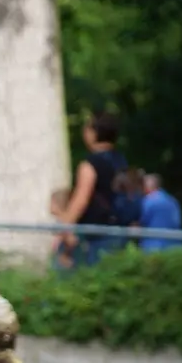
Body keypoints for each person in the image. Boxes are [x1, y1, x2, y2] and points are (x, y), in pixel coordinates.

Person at [54, 110, 129, 266]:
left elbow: (81, 199)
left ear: (93, 133)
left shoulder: (90, 164)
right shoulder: (121, 162)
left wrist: (63, 231)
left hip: (95, 235)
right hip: (120, 231)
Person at [138, 172, 182, 253]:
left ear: (148, 186)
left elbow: (141, 221)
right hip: (174, 247)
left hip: (152, 247)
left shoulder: (148, 201)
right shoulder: (173, 201)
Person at [49, 188, 78, 273]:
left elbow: (72, 240)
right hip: (57, 254)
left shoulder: (66, 222)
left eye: (52, 203)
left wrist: (65, 254)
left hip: (64, 256)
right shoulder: (58, 221)